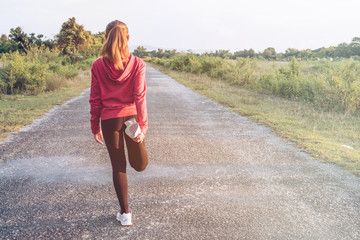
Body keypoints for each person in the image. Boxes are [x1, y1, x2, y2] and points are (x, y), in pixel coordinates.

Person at [89, 20, 148, 226]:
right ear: (128, 38)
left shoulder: (97, 65)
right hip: (131, 118)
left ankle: (125, 214)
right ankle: (138, 142)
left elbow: (95, 99)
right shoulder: (138, 63)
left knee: (118, 166)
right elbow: (139, 96)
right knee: (140, 165)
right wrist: (143, 125)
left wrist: (95, 126)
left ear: (107, 38)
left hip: (109, 120)